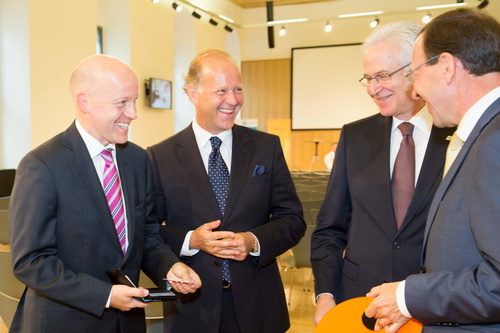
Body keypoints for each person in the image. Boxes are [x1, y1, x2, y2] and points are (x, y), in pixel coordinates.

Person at [8, 54, 201, 333]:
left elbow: (146, 236)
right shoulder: (42, 165)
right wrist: (106, 296)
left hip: (127, 324)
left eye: (134, 101)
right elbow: (30, 262)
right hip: (64, 324)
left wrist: (170, 268)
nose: (133, 113)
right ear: (84, 102)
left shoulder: (137, 160)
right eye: (122, 102)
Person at [147, 49, 306, 333]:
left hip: (258, 306)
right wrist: (190, 240)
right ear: (193, 94)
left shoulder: (266, 147)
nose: (233, 100)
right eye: (221, 90)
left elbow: (293, 219)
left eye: (238, 89)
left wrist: (253, 241)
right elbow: (147, 230)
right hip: (192, 309)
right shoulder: (160, 156)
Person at [310, 21, 455, 326]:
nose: (373, 88)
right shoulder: (355, 136)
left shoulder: (454, 135)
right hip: (359, 305)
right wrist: (325, 293)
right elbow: (330, 228)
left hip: (431, 307)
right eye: (368, 78)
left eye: (382, 76)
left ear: (415, 69)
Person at [365, 8, 500, 333]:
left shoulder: (494, 142)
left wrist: (408, 296)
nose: (414, 91)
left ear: (447, 67)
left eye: (414, 74)